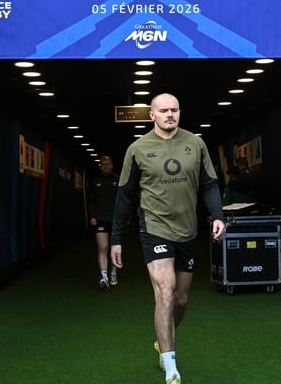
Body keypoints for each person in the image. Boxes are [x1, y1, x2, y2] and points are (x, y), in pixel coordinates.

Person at [110, 93, 226, 384]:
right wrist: (116, 237)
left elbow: (210, 184)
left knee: (181, 300)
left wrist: (218, 216)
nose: (170, 115)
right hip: (154, 227)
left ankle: (162, 341)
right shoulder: (137, 149)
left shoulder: (195, 143)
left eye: (174, 109)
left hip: (187, 230)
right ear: (152, 115)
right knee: (165, 291)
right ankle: (170, 365)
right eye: (163, 110)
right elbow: (125, 196)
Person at [88, 155, 120, 290]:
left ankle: (113, 273)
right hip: (100, 218)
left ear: (111, 165)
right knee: (103, 247)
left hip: (115, 219)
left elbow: (123, 200)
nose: (105, 166)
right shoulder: (95, 182)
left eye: (108, 164)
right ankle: (104, 276)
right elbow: (91, 201)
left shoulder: (118, 180)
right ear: (100, 166)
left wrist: (123, 217)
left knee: (114, 248)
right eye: (103, 164)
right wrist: (92, 216)